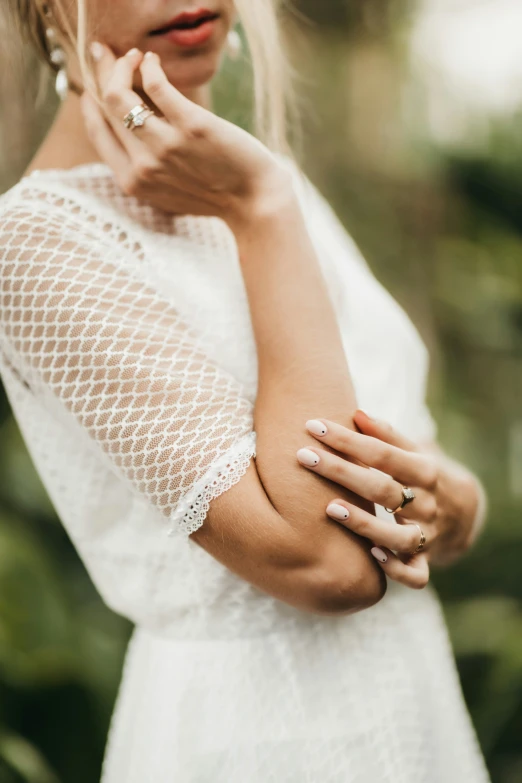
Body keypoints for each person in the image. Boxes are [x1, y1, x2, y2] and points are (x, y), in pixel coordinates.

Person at [0, 1, 491, 781]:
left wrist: (454, 504)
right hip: (257, 737)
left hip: (410, 706)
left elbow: (430, 475)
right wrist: (257, 211)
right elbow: (329, 565)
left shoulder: (266, 181)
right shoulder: (43, 242)